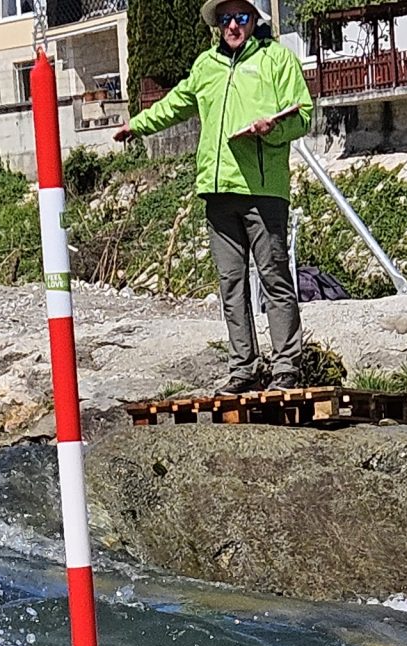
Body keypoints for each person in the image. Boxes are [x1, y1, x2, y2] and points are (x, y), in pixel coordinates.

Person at [115, 0, 314, 395]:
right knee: (231, 284)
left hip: (263, 190)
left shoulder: (277, 60)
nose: (233, 26)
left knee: (274, 277)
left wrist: (270, 128)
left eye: (241, 17)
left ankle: (286, 366)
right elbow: (174, 104)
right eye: (225, 19)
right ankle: (244, 368)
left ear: (255, 20)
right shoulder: (205, 66)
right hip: (217, 191)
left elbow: (303, 114)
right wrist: (136, 126)